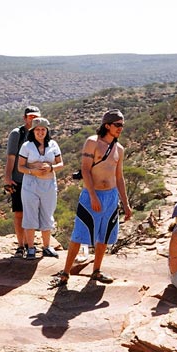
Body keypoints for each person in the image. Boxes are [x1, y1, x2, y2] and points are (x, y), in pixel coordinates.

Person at [52, 109, 132, 287]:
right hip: (91, 194)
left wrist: (125, 203)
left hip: (111, 197)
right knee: (79, 234)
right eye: (117, 125)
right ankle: (65, 273)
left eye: (122, 125)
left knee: (103, 235)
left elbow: (119, 177)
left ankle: (96, 270)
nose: (120, 128)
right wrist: (93, 196)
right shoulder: (92, 142)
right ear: (107, 125)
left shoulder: (119, 149)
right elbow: (86, 169)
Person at [17, 117, 63, 259]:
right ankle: (30, 248)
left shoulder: (53, 145)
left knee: (47, 213)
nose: (40, 132)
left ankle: (47, 247)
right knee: (30, 214)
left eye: (43, 129)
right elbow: (20, 167)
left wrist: (51, 168)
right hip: (31, 183)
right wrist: (33, 171)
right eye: (37, 129)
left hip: (48, 183)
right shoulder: (27, 146)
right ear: (33, 131)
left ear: (47, 131)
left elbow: (60, 164)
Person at [5, 106, 41, 257]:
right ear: (25, 118)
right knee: (19, 213)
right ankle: (21, 246)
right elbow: (11, 157)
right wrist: (7, 177)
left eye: (36, 117)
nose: (33, 119)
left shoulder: (41, 133)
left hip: (36, 179)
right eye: (30, 117)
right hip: (19, 179)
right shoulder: (17, 134)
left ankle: (30, 243)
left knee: (32, 213)